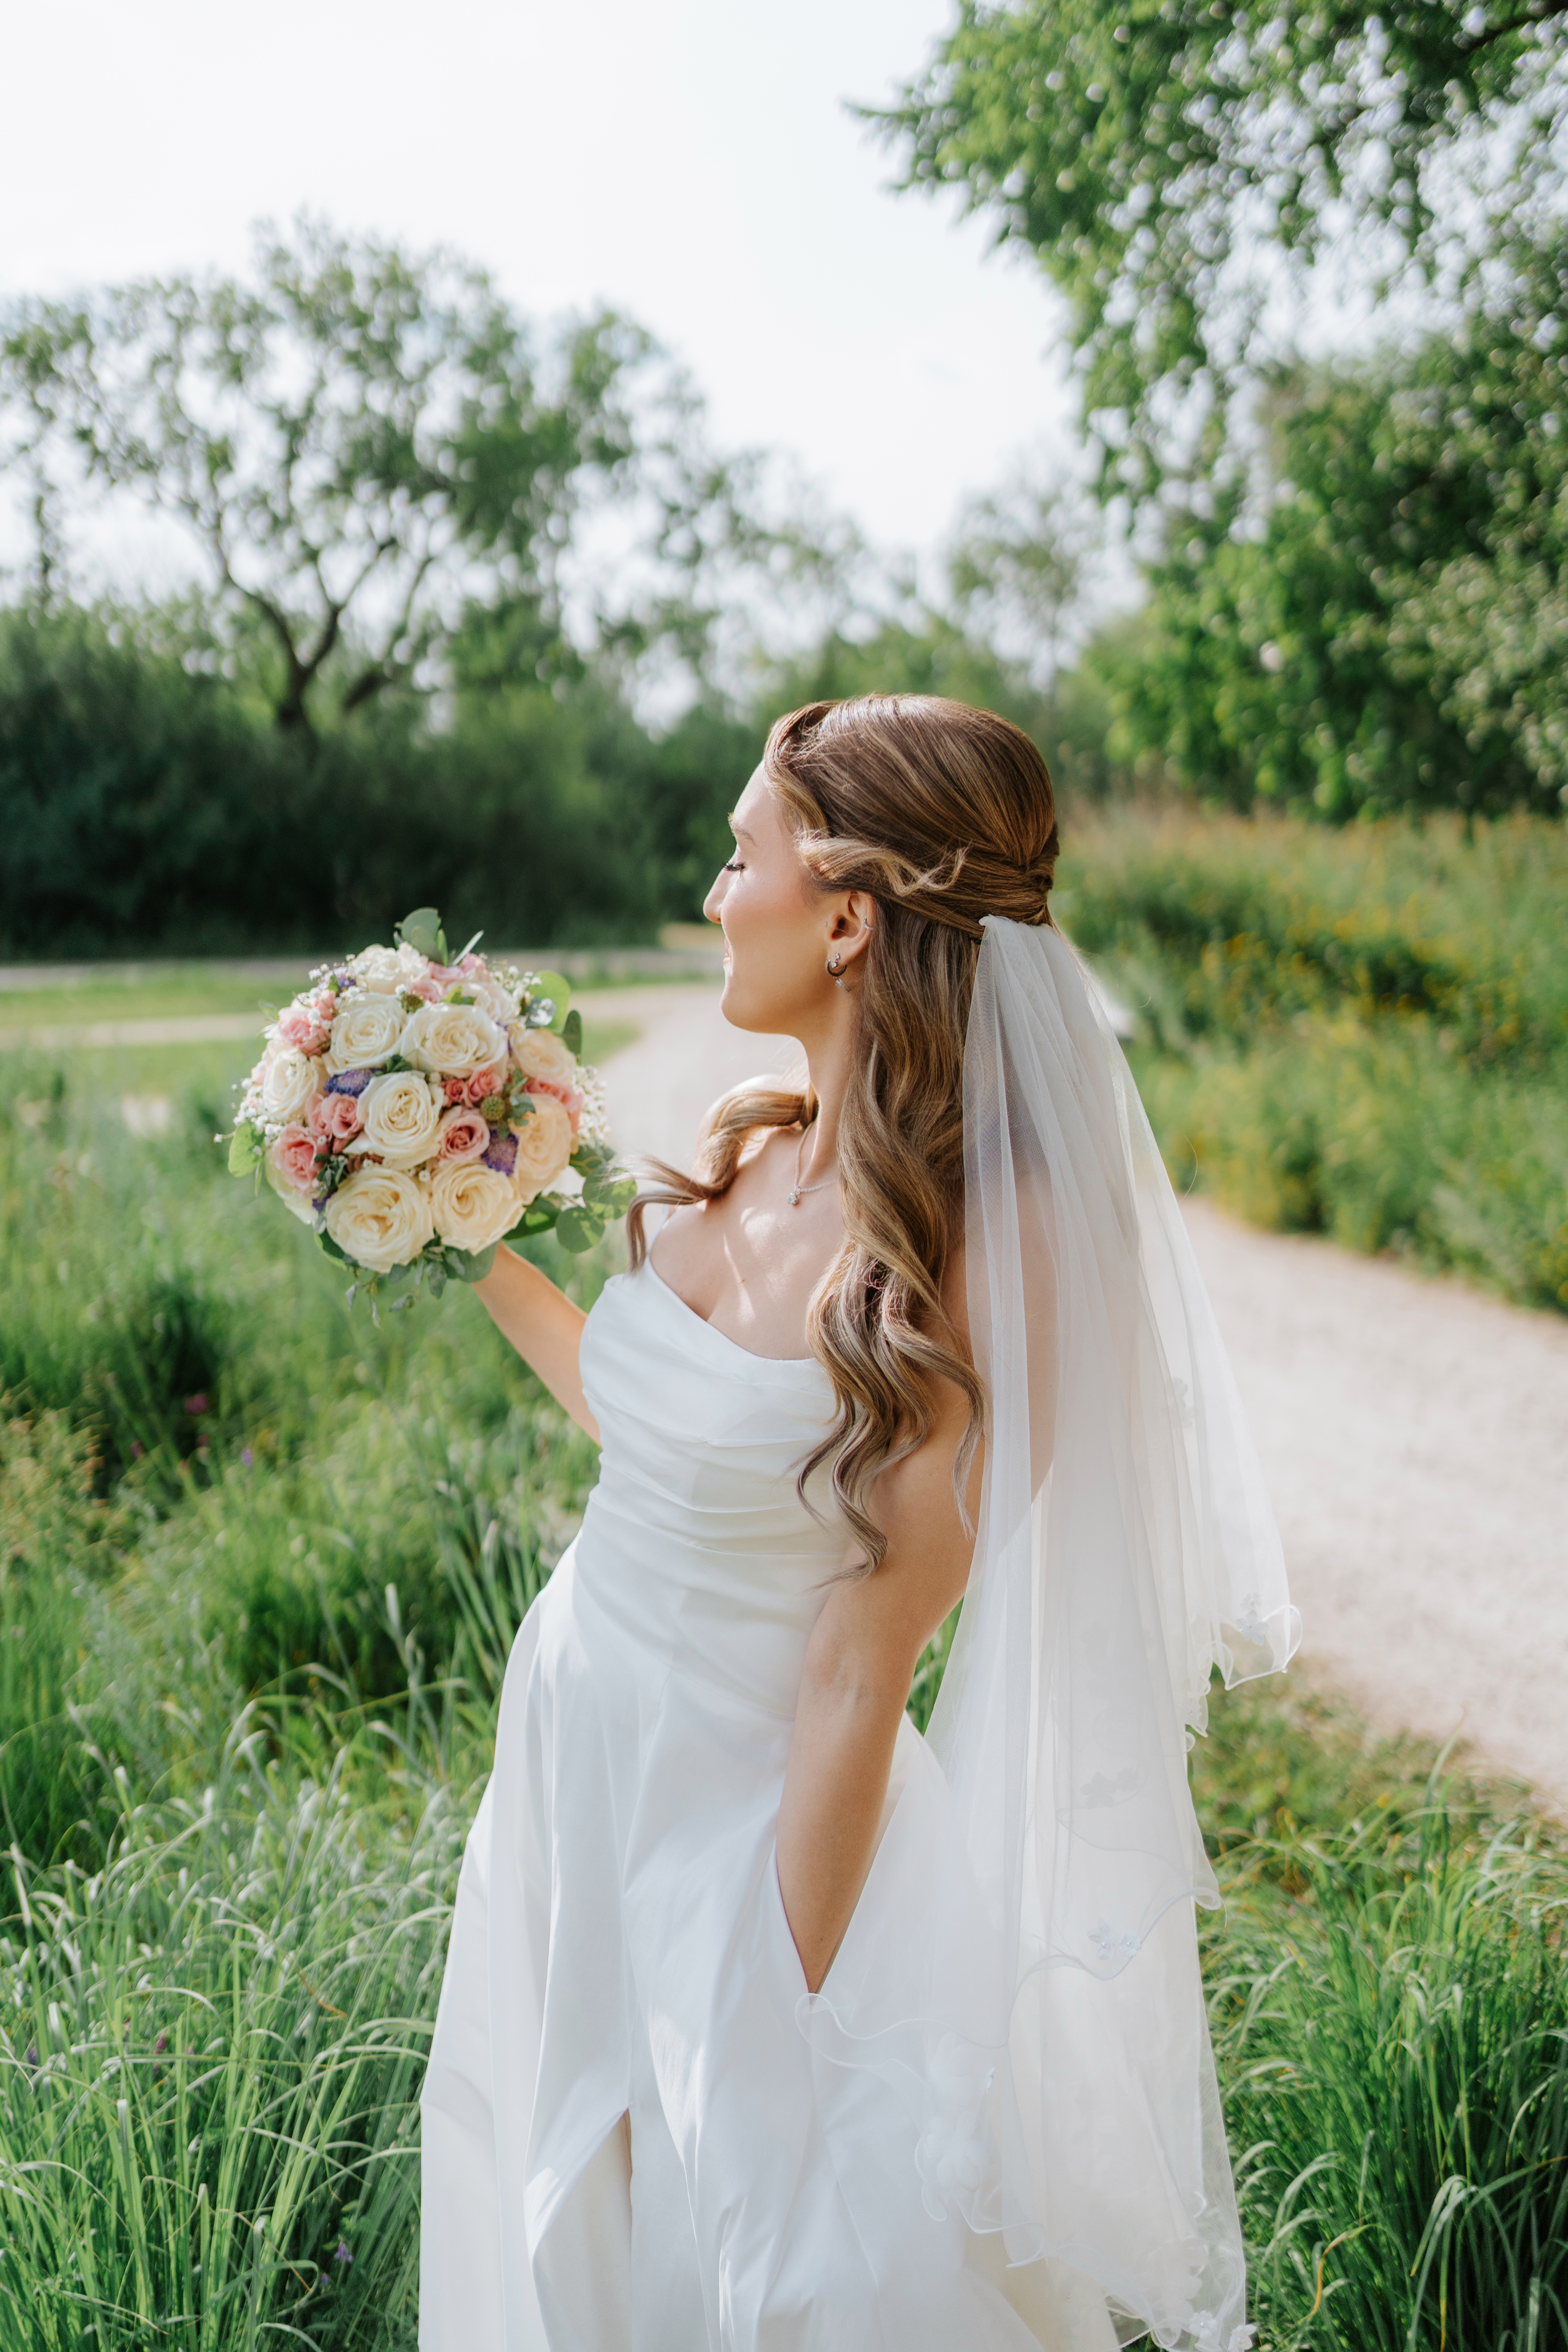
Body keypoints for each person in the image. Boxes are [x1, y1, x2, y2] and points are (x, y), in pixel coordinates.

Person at [419, 696, 1297, 2352]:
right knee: (564, 2199)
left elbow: (859, 1656)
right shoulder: (757, 1149)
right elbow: (671, 1449)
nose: (708, 893)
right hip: (579, 1766)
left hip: (759, 1838)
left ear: (844, 914)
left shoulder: (1001, 1233)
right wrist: (457, 1235)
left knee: (761, 2251)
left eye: (736, 853)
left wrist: (781, 1994)